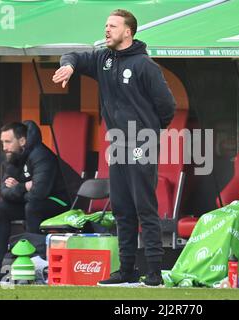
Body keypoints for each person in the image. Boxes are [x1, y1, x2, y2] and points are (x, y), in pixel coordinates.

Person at [53, 9, 176, 286]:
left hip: (140, 141)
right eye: (105, 25)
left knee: (144, 205)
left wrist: (148, 132)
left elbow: (167, 107)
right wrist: (69, 66)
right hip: (118, 143)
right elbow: (74, 55)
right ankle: (127, 270)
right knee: (121, 208)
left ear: (128, 31)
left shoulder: (145, 66)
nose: (106, 30)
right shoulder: (103, 59)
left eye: (112, 26)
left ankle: (154, 271)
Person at [0, 121, 70, 283]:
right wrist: (24, 187)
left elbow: (39, 192)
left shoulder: (41, 155)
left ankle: (36, 262)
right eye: (3, 142)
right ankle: (1, 266)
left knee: (33, 207)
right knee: (1, 209)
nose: (5, 147)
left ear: (22, 141)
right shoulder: (15, 158)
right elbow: (5, 192)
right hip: (34, 201)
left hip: (61, 203)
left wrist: (19, 187)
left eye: (8, 142)